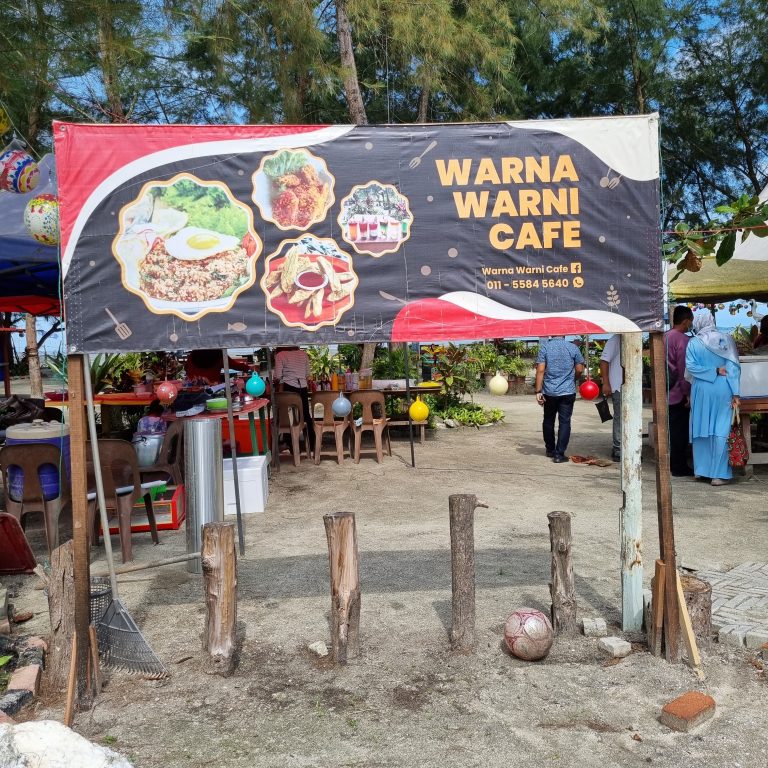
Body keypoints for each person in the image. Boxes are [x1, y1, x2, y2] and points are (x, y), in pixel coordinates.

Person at [685, 311, 741, 486]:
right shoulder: (727, 339)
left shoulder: (693, 342)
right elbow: (733, 368)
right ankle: (718, 475)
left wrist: (710, 372)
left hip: (702, 388)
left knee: (701, 426)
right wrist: (736, 393)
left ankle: (701, 470)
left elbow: (690, 367)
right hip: (724, 387)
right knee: (721, 429)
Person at [534, 337, 585, 463]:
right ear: (564, 334)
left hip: (549, 392)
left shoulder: (545, 347)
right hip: (567, 391)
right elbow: (579, 369)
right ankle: (559, 454)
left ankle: (550, 450)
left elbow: (540, 370)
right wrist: (573, 379)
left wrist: (538, 391)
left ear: (551, 334)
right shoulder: (573, 347)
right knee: (565, 422)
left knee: (548, 420)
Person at [666, 305, 694, 476]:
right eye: (690, 322)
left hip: (665, 390)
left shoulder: (664, 337)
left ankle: (672, 462)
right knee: (679, 432)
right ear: (685, 321)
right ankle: (678, 466)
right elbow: (684, 370)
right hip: (678, 393)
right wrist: (687, 393)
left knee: (670, 430)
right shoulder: (682, 340)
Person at [273, 346, 313, 428]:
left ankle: (287, 437)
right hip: (303, 386)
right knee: (305, 413)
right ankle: (311, 438)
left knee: (285, 412)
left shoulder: (280, 355)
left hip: (288, 387)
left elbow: (278, 376)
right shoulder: (303, 354)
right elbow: (307, 374)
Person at [599, 335, 622, 461]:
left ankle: (621, 446)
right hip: (618, 386)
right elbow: (604, 361)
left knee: (627, 418)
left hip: (628, 385)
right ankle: (618, 448)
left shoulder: (631, 337)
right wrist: (606, 383)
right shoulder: (615, 340)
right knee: (620, 417)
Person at [184, 349, 251, 385]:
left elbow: (186, 367)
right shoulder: (219, 355)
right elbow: (236, 366)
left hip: (192, 386)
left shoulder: (193, 353)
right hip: (212, 387)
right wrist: (248, 368)